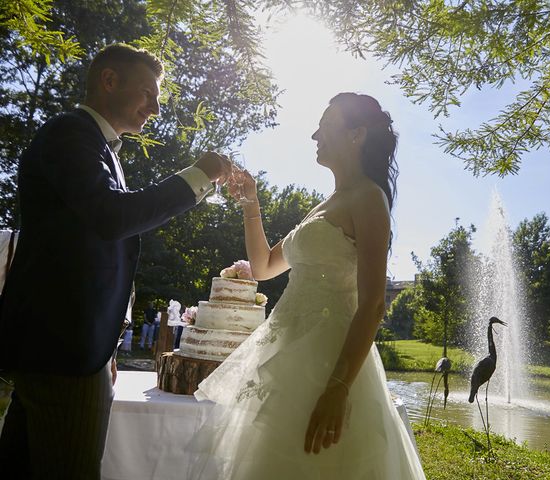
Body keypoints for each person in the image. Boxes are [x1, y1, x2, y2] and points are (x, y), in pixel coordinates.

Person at [0, 43, 232, 480]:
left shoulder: (98, 147)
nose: (156, 108)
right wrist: (198, 175)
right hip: (62, 348)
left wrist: (106, 342)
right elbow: (113, 218)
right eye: (148, 93)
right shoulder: (70, 134)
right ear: (109, 81)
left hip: (67, 345)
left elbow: (91, 250)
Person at [188, 93, 426, 479]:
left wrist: (338, 388)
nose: (315, 134)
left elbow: (373, 305)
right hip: (287, 358)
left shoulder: (369, 199)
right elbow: (264, 266)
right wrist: (251, 204)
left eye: (326, 125)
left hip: (331, 362)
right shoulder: (322, 207)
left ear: (357, 135)